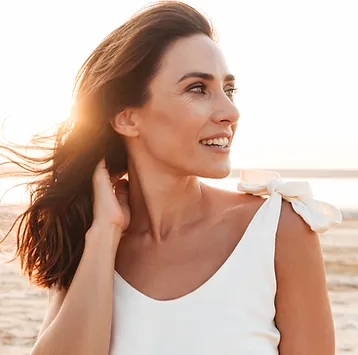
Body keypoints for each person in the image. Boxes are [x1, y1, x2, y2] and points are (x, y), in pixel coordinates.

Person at [0, 1, 342, 354]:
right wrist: (104, 235)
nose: (230, 111)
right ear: (128, 118)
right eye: (197, 88)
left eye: (229, 89)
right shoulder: (91, 240)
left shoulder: (278, 228)